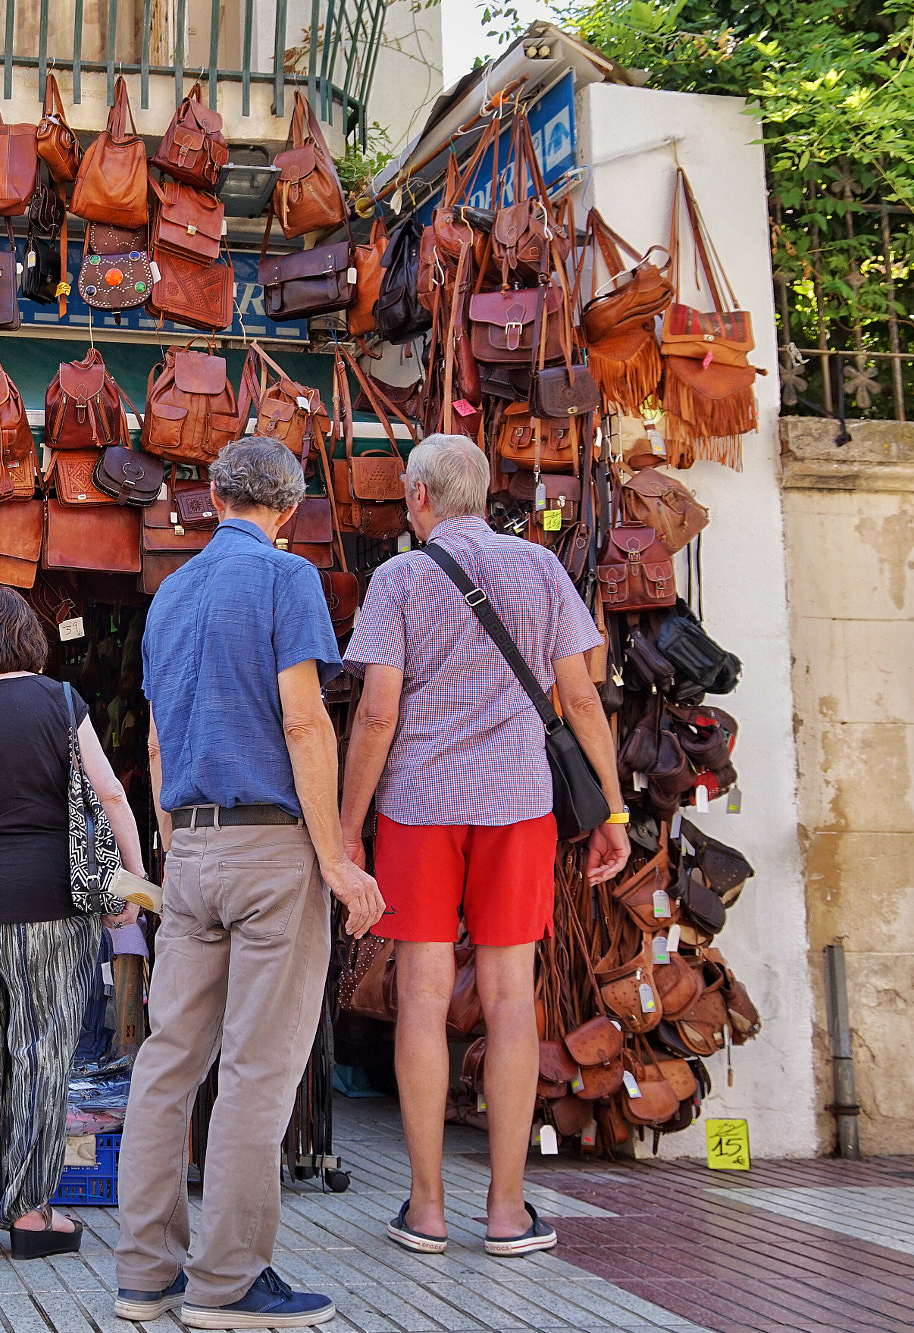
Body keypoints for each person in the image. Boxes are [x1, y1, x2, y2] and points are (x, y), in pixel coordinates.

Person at [115, 437, 383, 1330]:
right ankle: (227, 1282)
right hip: (271, 845)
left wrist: (169, 843)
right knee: (259, 1067)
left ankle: (144, 1276)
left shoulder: (170, 595)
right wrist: (338, 858)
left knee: (166, 1063)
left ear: (215, 497)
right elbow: (306, 723)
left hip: (187, 848)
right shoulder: (286, 579)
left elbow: (155, 743)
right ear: (289, 506)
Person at [339, 433, 628, 1259]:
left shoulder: (397, 579)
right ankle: (507, 1210)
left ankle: (426, 1208)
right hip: (515, 803)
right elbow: (578, 695)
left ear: (419, 497)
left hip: (421, 806)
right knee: (509, 997)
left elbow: (378, 713)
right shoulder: (540, 570)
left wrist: (350, 824)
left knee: (423, 996)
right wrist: (611, 811)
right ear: (485, 492)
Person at [0, 584, 142, 1262]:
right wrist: (127, 881)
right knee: (39, 1054)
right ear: (26, 637)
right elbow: (110, 792)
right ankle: (32, 1213)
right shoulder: (59, 702)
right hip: (48, 902)